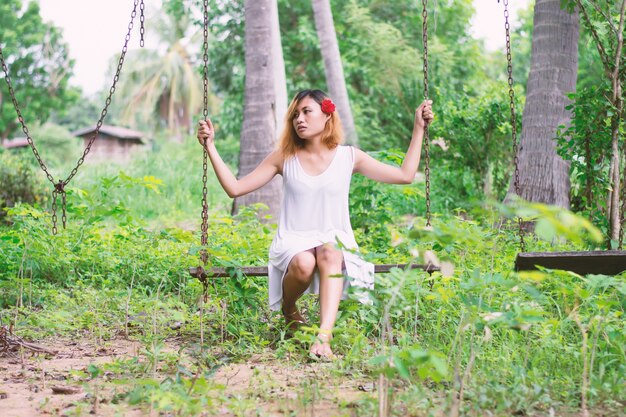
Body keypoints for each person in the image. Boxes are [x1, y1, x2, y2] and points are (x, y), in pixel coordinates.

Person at [197, 89, 433, 358]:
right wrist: (211, 147)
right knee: (304, 263)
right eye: (295, 114)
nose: (300, 119)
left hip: (334, 237)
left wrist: (418, 129)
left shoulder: (348, 156)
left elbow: (404, 175)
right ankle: (289, 310)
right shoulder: (284, 158)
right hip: (294, 239)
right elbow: (235, 189)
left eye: (307, 112)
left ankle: (323, 338)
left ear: (326, 115)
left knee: (330, 250)